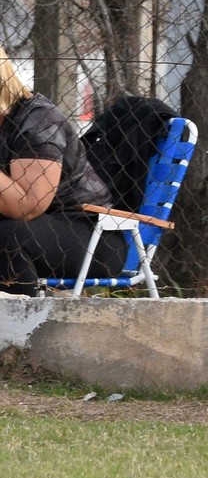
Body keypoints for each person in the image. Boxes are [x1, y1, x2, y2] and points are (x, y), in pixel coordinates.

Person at [0, 47, 125, 296]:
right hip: (31, 230)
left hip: (87, 233)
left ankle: (22, 331)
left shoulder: (37, 119)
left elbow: (27, 206)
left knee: (5, 239)